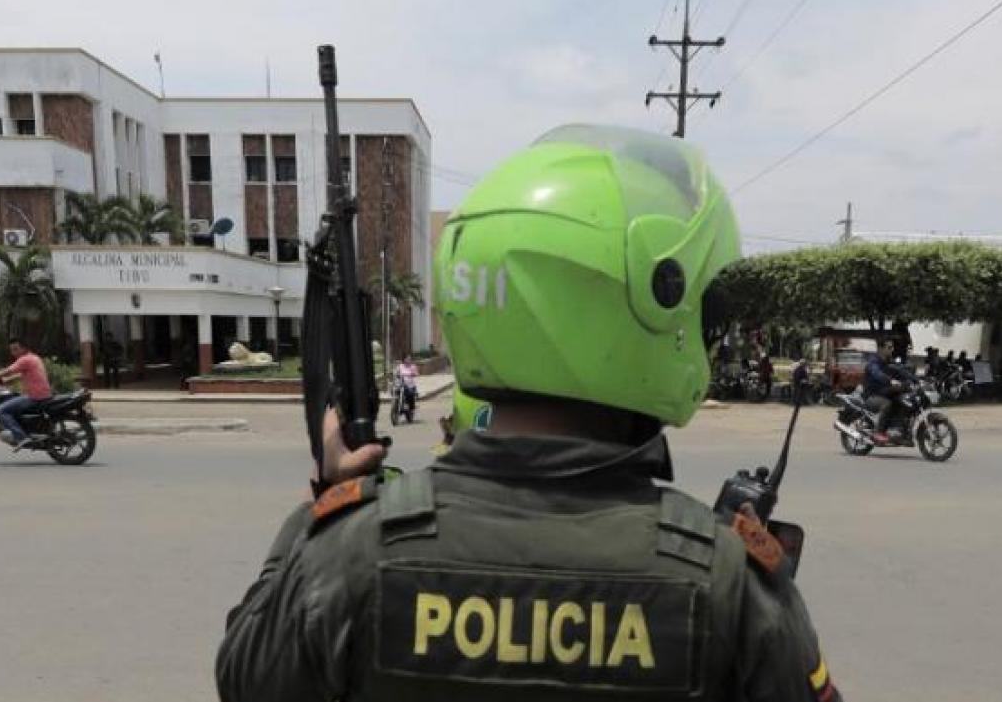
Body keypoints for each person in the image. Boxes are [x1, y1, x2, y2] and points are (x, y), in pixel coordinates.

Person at [216, 126, 841, 702]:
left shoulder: (350, 554)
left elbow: (245, 679)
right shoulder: (728, 582)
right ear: (655, 302)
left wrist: (328, 503)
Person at [0, 338, 53, 450]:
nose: (13, 353)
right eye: (11, 350)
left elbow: (6, 371)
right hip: (42, 395)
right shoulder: (34, 357)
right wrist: (4, 381)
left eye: (16, 349)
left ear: (24, 348)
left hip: (34, 397)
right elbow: (21, 375)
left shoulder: (24, 360)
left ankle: (21, 438)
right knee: (13, 399)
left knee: (0, 411)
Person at [863, 339, 914, 445]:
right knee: (887, 404)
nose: (892, 349)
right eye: (889, 347)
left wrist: (917, 379)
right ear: (881, 349)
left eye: (892, 347)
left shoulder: (889, 361)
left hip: (885, 392)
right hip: (872, 395)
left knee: (903, 401)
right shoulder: (873, 362)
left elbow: (901, 371)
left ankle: (899, 430)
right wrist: (890, 380)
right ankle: (878, 432)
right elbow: (876, 374)